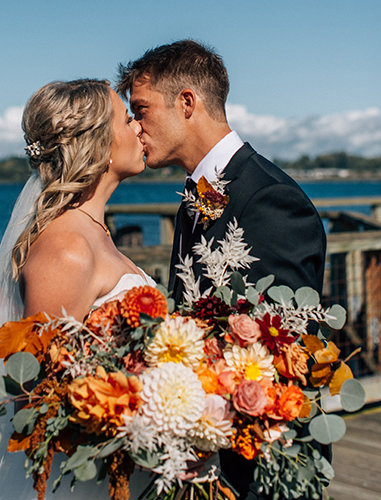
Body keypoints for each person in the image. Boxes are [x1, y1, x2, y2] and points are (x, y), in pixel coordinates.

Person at [116, 40, 328, 500]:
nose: (134, 127)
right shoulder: (197, 196)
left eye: (141, 110)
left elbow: (282, 353)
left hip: (260, 469)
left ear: (187, 102)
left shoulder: (272, 201)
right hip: (209, 462)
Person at [0, 79, 155, 500]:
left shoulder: (94, 233)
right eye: (126, 119)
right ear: (99, 144)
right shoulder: (67, 250)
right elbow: (35, 400)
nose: (138, 129)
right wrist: (148, 418)